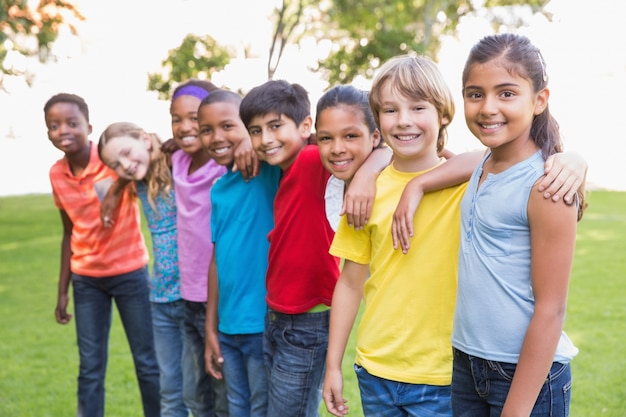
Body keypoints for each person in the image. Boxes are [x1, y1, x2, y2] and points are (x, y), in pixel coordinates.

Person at [322, 55, 466, 417]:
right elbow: (350, 283)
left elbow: (496, 158)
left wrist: (571, 159)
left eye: (418, 107)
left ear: (443, 114)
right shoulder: (364, 193)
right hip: (375, 372)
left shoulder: (467, 184)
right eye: (390, 110)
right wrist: (332, 365)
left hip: (443, 377)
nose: (403, 120)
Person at [449, 33, 582, 417]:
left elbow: (552, 309)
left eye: (506, 93)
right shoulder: (482, 165)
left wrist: (517, 409)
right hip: (468, 361)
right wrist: (417, 187)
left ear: (540, 100)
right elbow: (446, 163)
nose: (488, 107)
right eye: (475, 94)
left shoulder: (546, 184)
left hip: (527, 376)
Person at [44, 93, 160, 417]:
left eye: (71, 123)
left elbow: (145, 153)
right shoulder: (56, 174)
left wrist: (116, 188)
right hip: (87, 280)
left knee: (148, 362)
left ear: (88, 126)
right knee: (90, 367)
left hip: (130, 273)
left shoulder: (112, 157)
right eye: (54, 126)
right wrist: (62, 291)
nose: (63, 130)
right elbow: (68, 232)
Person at [198, 89, 281, 417]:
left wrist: (253, 140)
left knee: (262, 409)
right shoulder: (218, 189)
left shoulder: (271, 170)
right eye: (207, 129)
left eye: (228, 126)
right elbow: (218, 260)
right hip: (228, 328)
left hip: (263, 324)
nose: (216, 137)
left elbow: (309, 138)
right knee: (237, 408)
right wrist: (210, 327)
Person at [98, 122, 188, 417]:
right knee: (170, 392)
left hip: (194, 298)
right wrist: (115, 187)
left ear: (145, 139)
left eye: (125, 152)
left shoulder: (179, 164)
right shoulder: (137, 180)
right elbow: (131, 169)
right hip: (161, 299)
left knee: (203, 393)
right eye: (115, 164)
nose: (123, 165)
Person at [168, 79, 229, 417]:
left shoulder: (225, 164)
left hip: (219, 297)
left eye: (195, 119)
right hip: (186, 296)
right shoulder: (176, 160)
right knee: (194, 394)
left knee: (223, 395)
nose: (185, 127)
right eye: (176, 119)